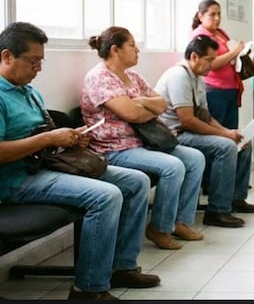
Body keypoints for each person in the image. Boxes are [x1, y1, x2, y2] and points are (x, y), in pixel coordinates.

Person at [0, 22, 160, 300]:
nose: (38, 68)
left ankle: (122, 266)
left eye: (41, 61)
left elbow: (44, 135)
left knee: (137, 181)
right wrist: (48, 140)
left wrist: (71, 138)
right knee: (106, 196)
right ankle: (89, 288)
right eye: (32, 61)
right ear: (6, 56)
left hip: (47, 165)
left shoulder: (29, 91)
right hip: (17, 179)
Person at [80, 26, 206, 250]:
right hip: (115, 149)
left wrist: (143, 103)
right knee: (173, 167)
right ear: (115, 50)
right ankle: (160, 228)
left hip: (145, 141)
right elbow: (132, 114)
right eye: (132, 45)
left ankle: (180, 221)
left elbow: (161, 103)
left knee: (194, 158)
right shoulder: (99, 78)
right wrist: (143, 107)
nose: (137, 50)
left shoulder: (132, 77)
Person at [155, 35, 254, 228]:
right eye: (209, 60)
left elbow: (204, 116)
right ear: (194, 57)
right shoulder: (179, 76)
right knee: (226, 147)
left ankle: (235, 199)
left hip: (187, 131)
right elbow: (187, 120)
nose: (212, 65)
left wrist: (228, 131)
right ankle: (218, 211)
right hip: (174, 136)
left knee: (242, 143)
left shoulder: (197, 78)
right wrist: (225, 136)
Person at [191, 0, 245, 130]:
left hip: (231, 87)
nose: (217, 18)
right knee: (218, 130)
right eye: (212, 14)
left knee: (232, 129)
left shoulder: (220, 32)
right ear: (201, 16)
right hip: (215, 89)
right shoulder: (200, 35)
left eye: (219, 14)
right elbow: (210, 64)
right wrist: (235, 51)